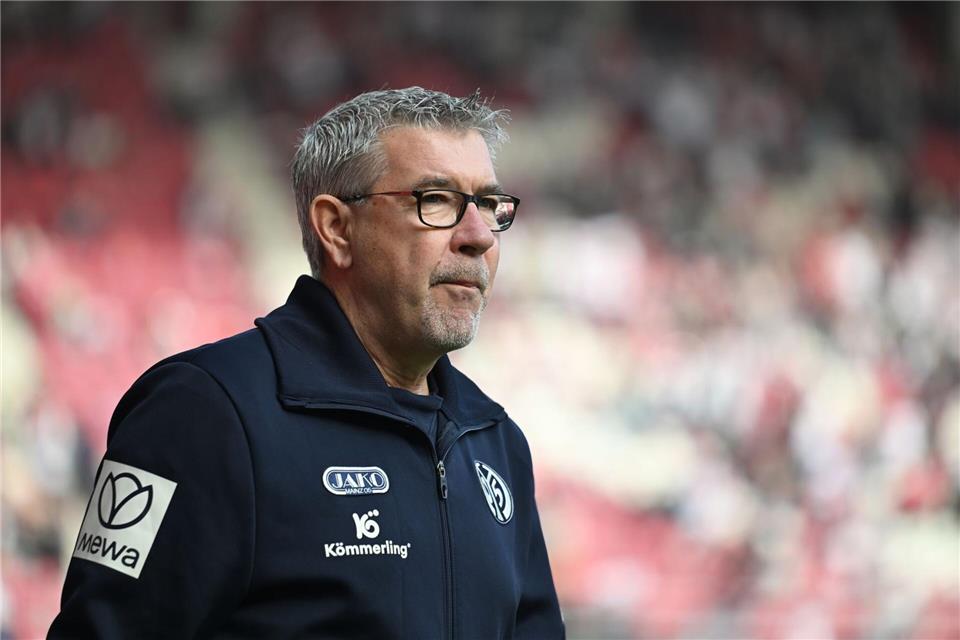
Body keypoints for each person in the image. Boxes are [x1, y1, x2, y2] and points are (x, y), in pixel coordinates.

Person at [49, 87, 565, 639]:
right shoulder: (199, 414)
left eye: (489, 206)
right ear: (337, 228)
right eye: (436, 200)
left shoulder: (496, 440)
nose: (479, 236)